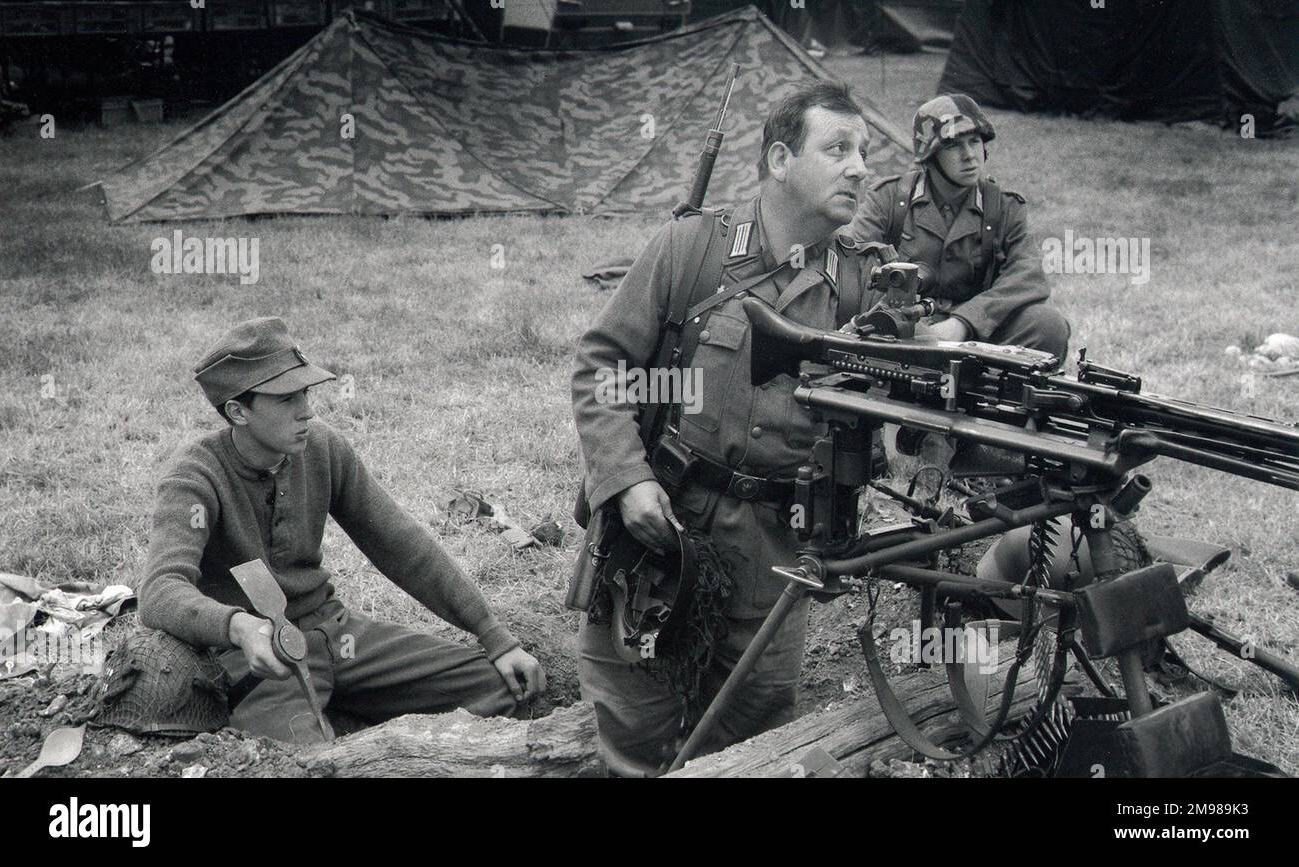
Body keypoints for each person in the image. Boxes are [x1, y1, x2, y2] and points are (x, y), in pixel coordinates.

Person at [571, 81, 887, 775]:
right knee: (634, 728)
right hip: (664, 533)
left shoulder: (862, 288)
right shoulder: (692, 250)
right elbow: (602, 367)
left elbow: (888, 425)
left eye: (864, 151)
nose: (860, 166)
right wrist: (625, 480)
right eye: (838, 148)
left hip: (776, 556)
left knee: (751, 745)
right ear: (779, 159)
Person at [138, 317, 545, 744]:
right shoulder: (195, 476)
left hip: (338, 636)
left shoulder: (322, 447)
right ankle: (331, 722)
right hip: (261, 659)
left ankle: (351, 711)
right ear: (239, 411)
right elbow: (161, 590)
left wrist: (493, 635)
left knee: (501, 689)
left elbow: (400, 545)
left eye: (306, 392)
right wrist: (238, 627)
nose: (307, 410)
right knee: (301, 762)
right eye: (286, 399)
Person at [844, 93, 1070, 467]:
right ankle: (868, 426)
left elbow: (1028, 276)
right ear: (931, 156)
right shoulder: (891, 200)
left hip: (972, 341)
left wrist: (963, 324)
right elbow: (851, 261)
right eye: (954, 146)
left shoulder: (1003, 207)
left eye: (975, 142)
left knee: (1047, 326)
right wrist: (898, 308)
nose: (970, 156)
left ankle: (999, 432)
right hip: (904, 338)